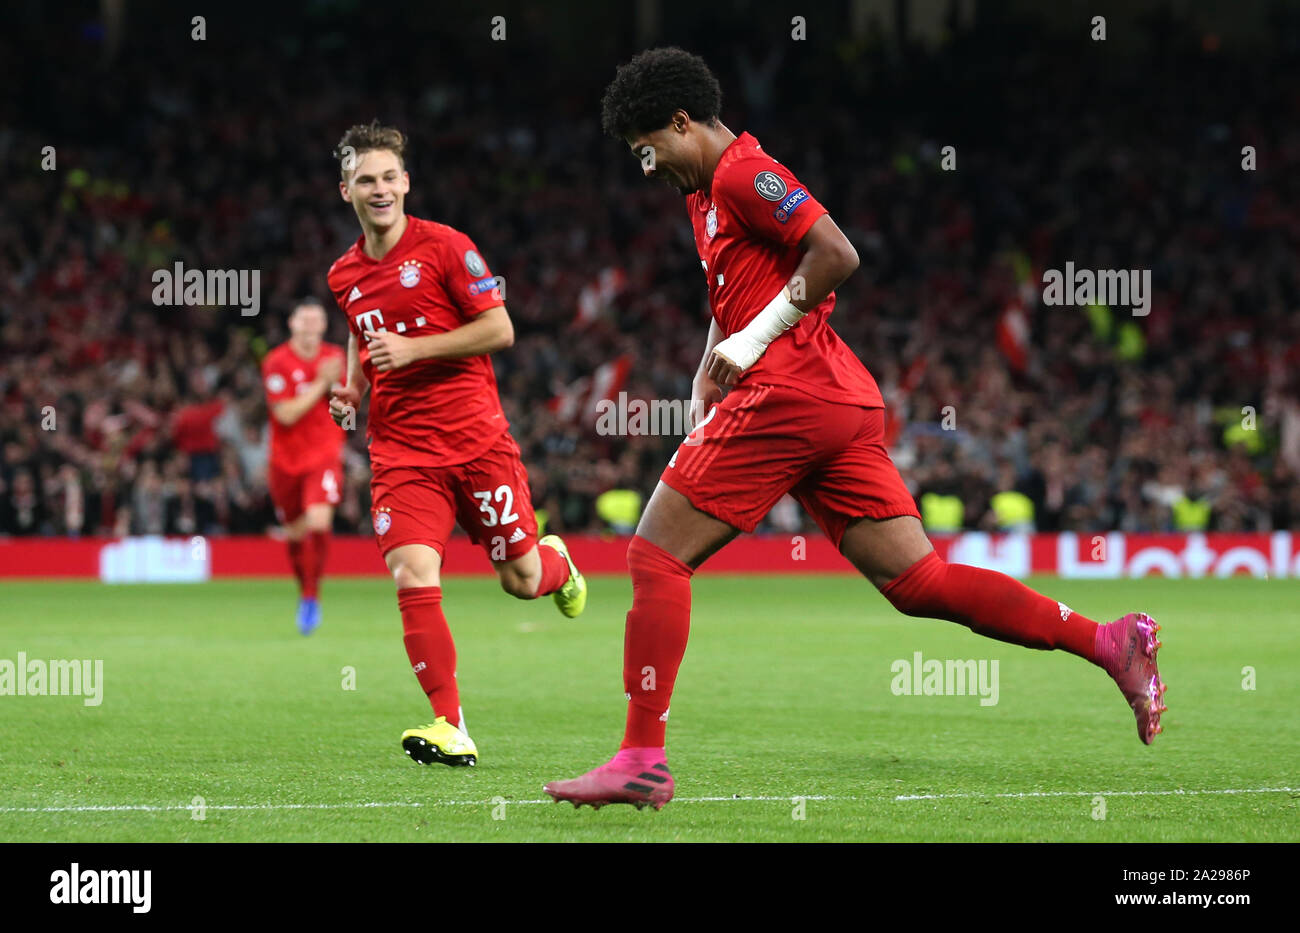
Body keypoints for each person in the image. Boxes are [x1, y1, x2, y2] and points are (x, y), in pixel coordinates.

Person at [544, 48, 1165, 810]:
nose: (645, 167)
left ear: (682, 122)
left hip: (791, 394)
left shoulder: (743, 173)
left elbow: (836, 251)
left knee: (654, 556)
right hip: (831, 399)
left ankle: (642, 756)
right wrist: (713, 358)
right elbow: (735, 292)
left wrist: (753, 341)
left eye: (648, 149)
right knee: (918, 581)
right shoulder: (703, 193)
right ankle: (1109, 640)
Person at [326, 121, 586, 768]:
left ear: (406, 182)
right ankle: (452, 723)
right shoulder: (343, 274)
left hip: (477, 443)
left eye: (390, 177)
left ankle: (559, 564)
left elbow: (499, 328)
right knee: (413, 572)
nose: (380, 188)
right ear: (346, 191)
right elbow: (363, 333)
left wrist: (414, 349)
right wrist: (353, 389)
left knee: (522, 580)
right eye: (366, 180)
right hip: (401, 452)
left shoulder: (445, 248)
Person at [263, 298, 346, 635]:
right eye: (304, 320)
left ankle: (313, 596)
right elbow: (285, 414)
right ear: (292, 324)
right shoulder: (276, 362)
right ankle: (305, 591)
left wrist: (342, 391)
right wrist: (321, 384)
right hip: (285, 462)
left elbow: (347, 403)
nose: (311, 325)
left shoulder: (336, 358)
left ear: (324, 326)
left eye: (317, 320)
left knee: (319, 520)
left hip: (324, 454)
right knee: (296, 534)